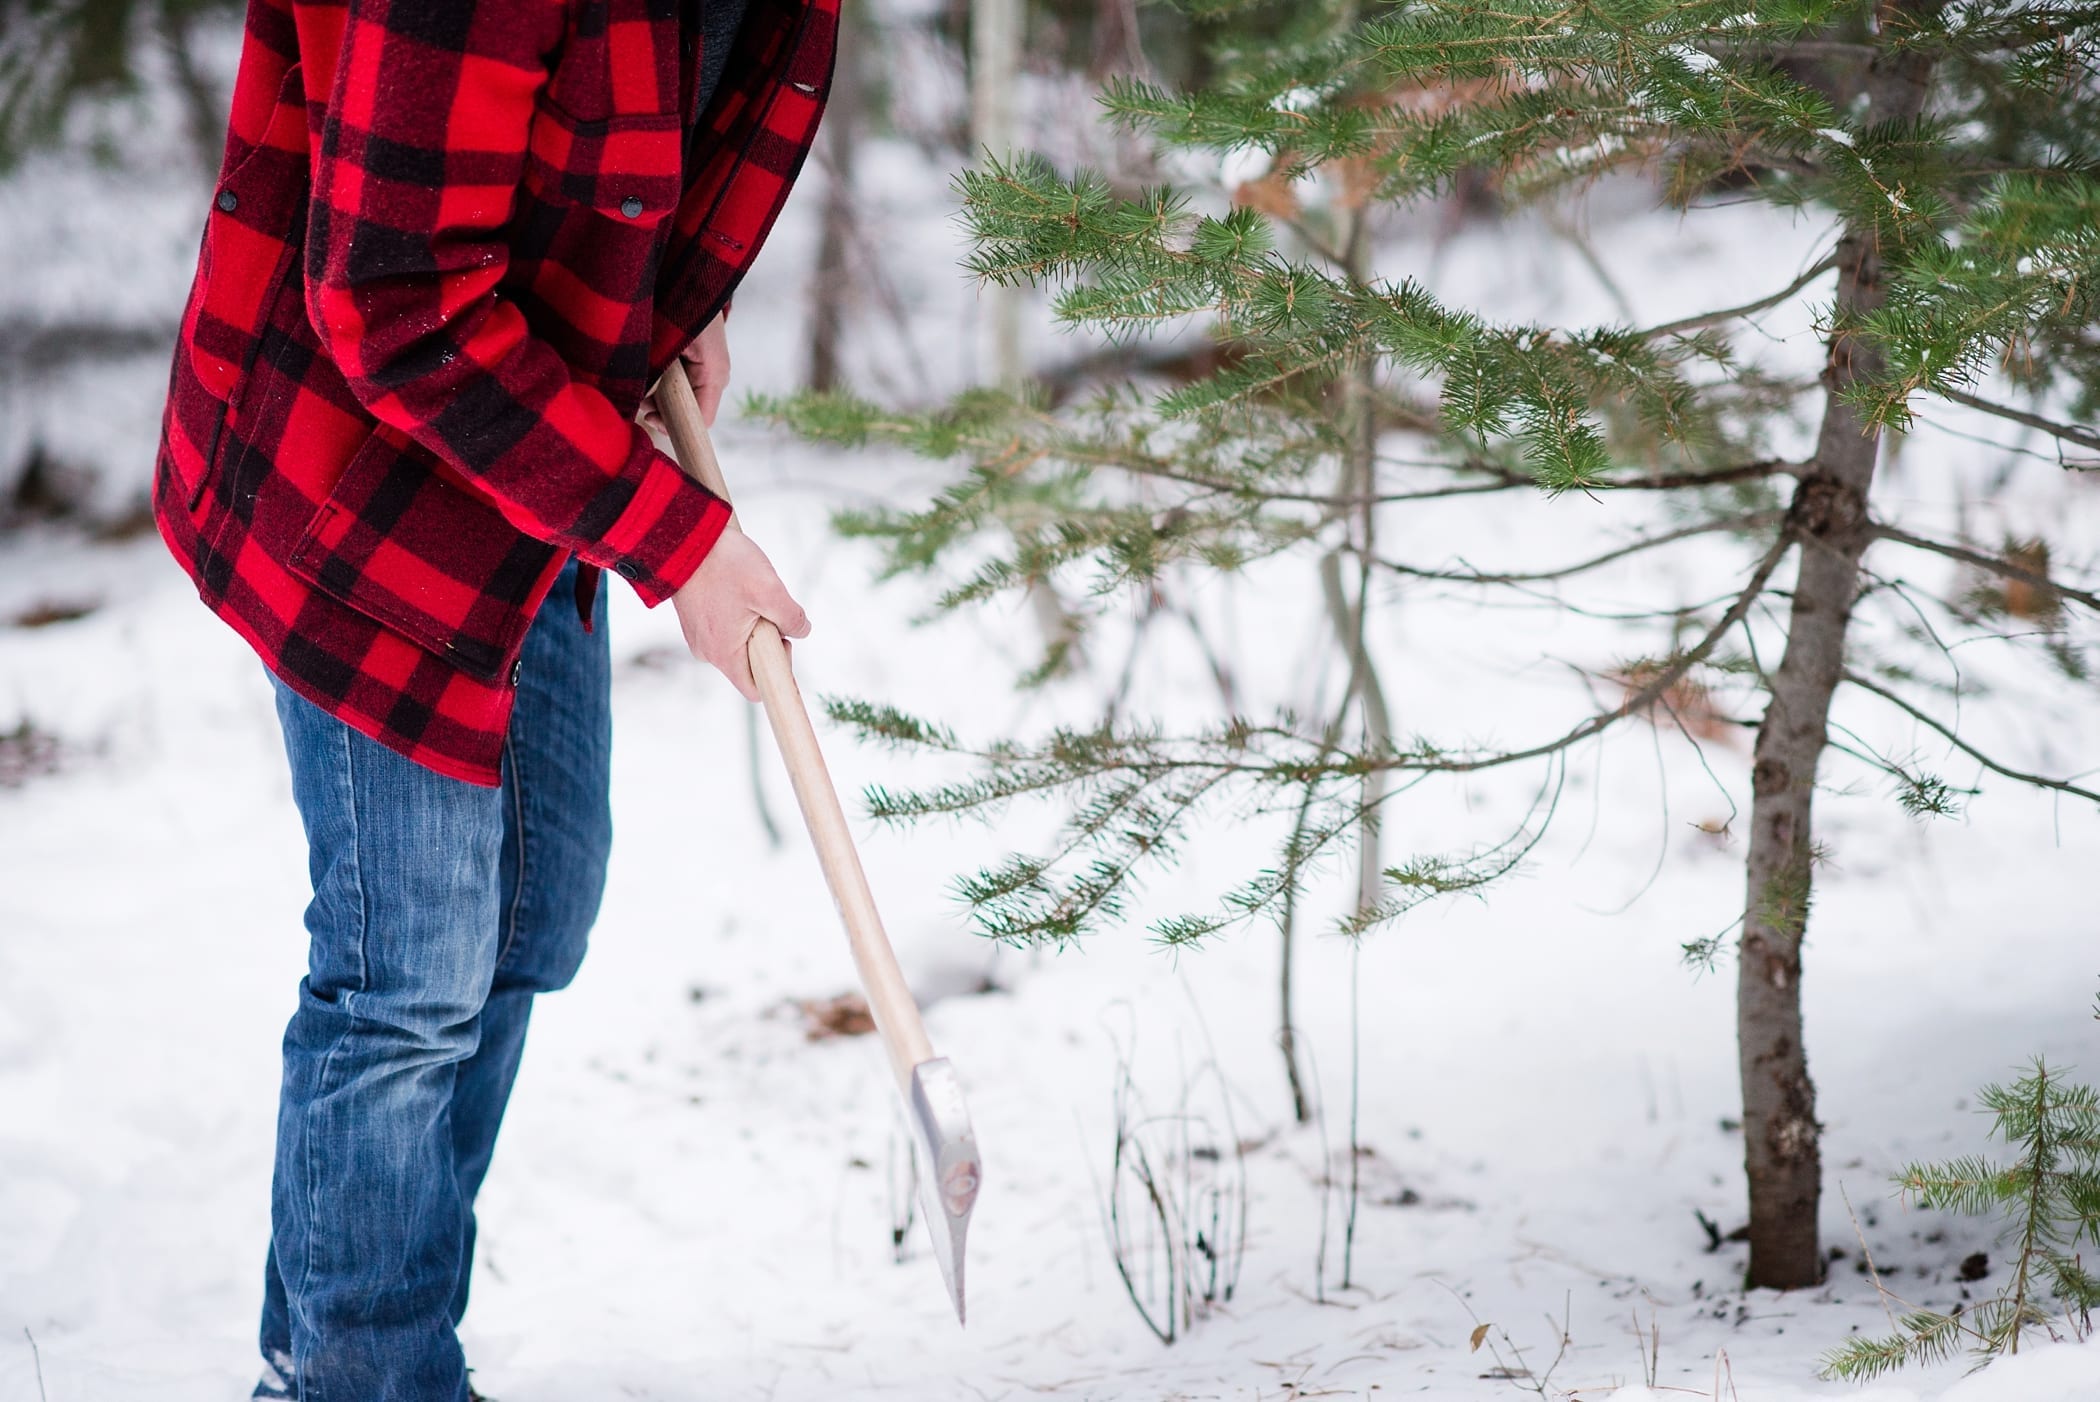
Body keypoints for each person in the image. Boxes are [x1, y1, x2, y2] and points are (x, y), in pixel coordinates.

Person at [151, 0, 838, 1394]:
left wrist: (674, 296)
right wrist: (680, 541)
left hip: (522, 450)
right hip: (350, 473)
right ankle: (371, 1374)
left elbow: (641, 122)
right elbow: (391, 298)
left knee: (532, 908)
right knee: (407, 974)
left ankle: (322, 1351)